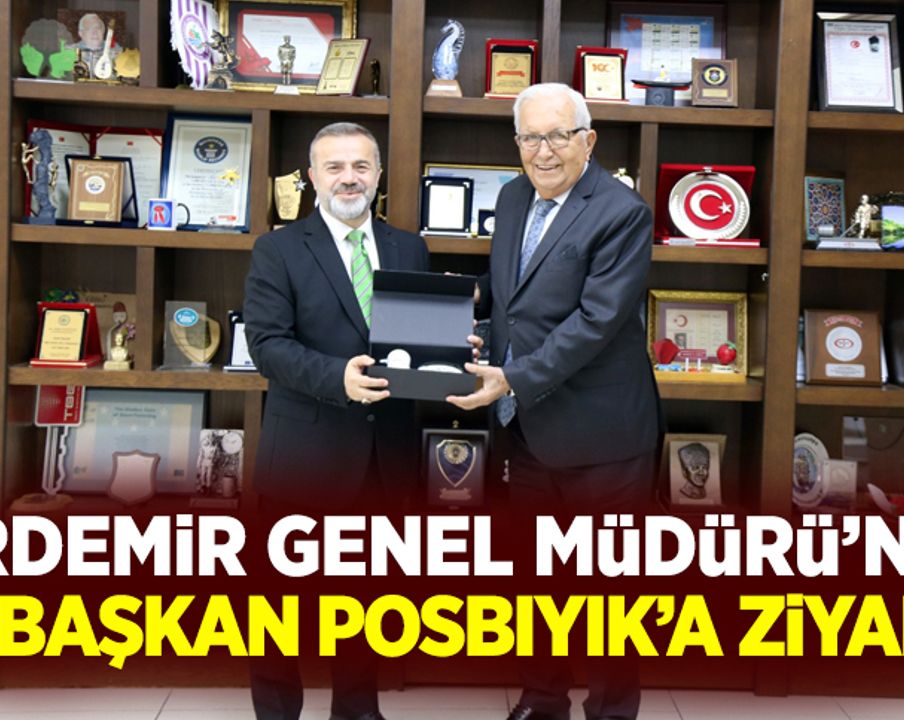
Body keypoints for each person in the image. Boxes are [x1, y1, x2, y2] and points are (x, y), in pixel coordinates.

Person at [448, 82, 661, 720]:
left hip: (603, 436)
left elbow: (596, 322)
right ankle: (543, 701)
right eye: (530, 138)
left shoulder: (622, 212)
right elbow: (513, 289)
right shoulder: (514, 196)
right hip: (530, 429)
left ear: (587, 141)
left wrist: (512, 377)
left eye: (558, 136)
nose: (544, 152)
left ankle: (611, 709)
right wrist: (465, 308)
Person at [243, 122, 428, 720]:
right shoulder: (278, 250)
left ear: (378, 174)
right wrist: (336, 379)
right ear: (312, 177)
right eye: (335, 167)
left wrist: (449, 352)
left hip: (385, 457)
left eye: (361, 166)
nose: (350, 178)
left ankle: (358, 709)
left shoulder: (409, 248)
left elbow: (414, 343)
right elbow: (267, 346)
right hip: (306, 454)